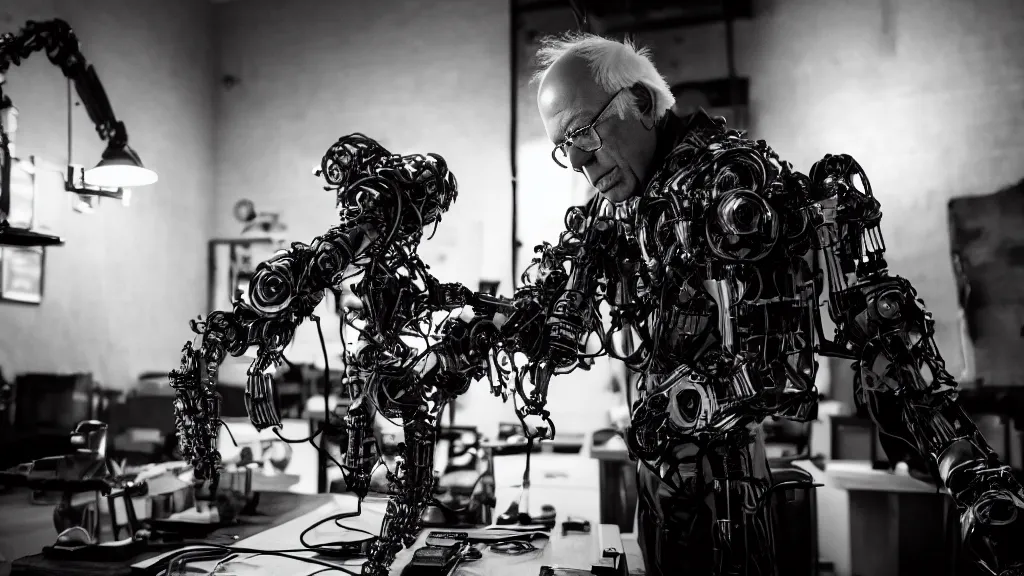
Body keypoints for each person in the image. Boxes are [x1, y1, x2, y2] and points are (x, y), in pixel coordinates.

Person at [531, 32, 1024, 576]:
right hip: (657, 485)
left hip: (727, 496)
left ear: (642, 105)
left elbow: (872, 315)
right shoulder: (618, 207)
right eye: (563, 147)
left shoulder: (732, 186)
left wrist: (968, 471)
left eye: (582, 132)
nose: (577, 159)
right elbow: (556, 310)